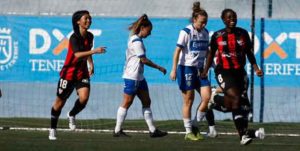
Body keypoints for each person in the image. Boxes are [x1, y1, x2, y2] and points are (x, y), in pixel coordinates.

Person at [201, 8, 264, 145]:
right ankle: (243, 136)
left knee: (242, 104)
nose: (232, 20)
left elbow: (249, 52)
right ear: (223, 20)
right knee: (236, 98)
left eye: (234, 17)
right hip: (223, 72)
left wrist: (256, 68)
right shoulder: (217, 36)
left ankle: (214, 99)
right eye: (229, 18)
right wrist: (206, 70)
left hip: (239, 73)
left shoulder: (243, 34)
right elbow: (211, 54)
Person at [48, 10, 106, 140]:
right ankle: (52, 130)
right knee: (59, 103)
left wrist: (91, 64)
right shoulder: (74, 37)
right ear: (78, 22)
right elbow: (77, 54)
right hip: (68, 74)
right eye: (86, 19)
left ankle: (72, 114)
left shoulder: (90, 36)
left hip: (82, 73)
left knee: (84, 99)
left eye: (90, 18)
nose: (89, 21)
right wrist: (95, 51)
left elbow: (87, 52)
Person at [113, 14, 168, 138]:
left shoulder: (135, 39)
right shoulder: (136, 41)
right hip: (132, 76)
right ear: (142, 28)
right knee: (127, 102)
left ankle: (153, 130)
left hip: (139, 77)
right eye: (149, 31)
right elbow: (143, 60)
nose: (150, 33)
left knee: (146, 101)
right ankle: (117, 130)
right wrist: (159, 67)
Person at [170, 1, 211, 141]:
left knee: (207, 98)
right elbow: (177, 51)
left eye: (205, 22)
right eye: (201, 22)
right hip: (186, 68)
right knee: (189, 100)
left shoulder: (205, 33)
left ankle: (195, 125)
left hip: (200, 70)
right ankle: (189, 132)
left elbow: (207, 51)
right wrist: (174, 69)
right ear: (194, 20)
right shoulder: (186, 32)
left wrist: (206, 67)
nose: (204, 25)